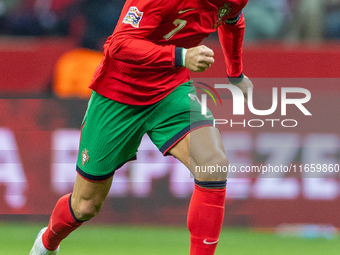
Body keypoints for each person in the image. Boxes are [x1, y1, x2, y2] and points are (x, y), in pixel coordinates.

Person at [30, 0, 253, 254]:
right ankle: (47, 242)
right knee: (85, 206)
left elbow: (233, 20)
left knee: (213, 164)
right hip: (119, 92)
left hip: (171, 89)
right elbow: (118, 45)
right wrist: (181, 55)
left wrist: (236, 74)